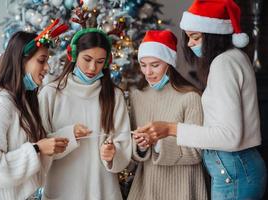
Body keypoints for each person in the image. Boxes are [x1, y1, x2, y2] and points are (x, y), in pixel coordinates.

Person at [136, 1, 267, 199]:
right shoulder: (236, 57)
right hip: (237, 169)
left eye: (195, 37)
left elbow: (229, 136)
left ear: (213, 35)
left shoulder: (223, 64)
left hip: (233, 172)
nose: (189, 44)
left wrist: (171, 128)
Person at [0, 30, 69, 200]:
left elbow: (34, 149)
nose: (47, 68)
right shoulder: (1, 103)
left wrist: (70, 136)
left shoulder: (24, 101)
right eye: (42, 61)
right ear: (21, 61)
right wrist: (37, 149)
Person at [39, 28, 131, 200]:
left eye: (99, 61)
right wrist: (70, 135)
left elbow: (123, 143)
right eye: (87, 59)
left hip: (103, 191)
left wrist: (112, 154)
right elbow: (39, 145)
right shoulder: (51, 93)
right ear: (74, 55)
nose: (92, 68)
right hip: (61, 190)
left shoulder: (114, 96)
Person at [127, 30, 208, 200]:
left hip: (183, 188)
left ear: (169, 62)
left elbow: (196, 153)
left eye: (155, 65)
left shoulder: (190, 97)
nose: (148, 72)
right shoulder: (137, 97)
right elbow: (134, 155)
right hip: (147, 189)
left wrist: (157, 143)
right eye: (143, 64)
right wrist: (141, 146)